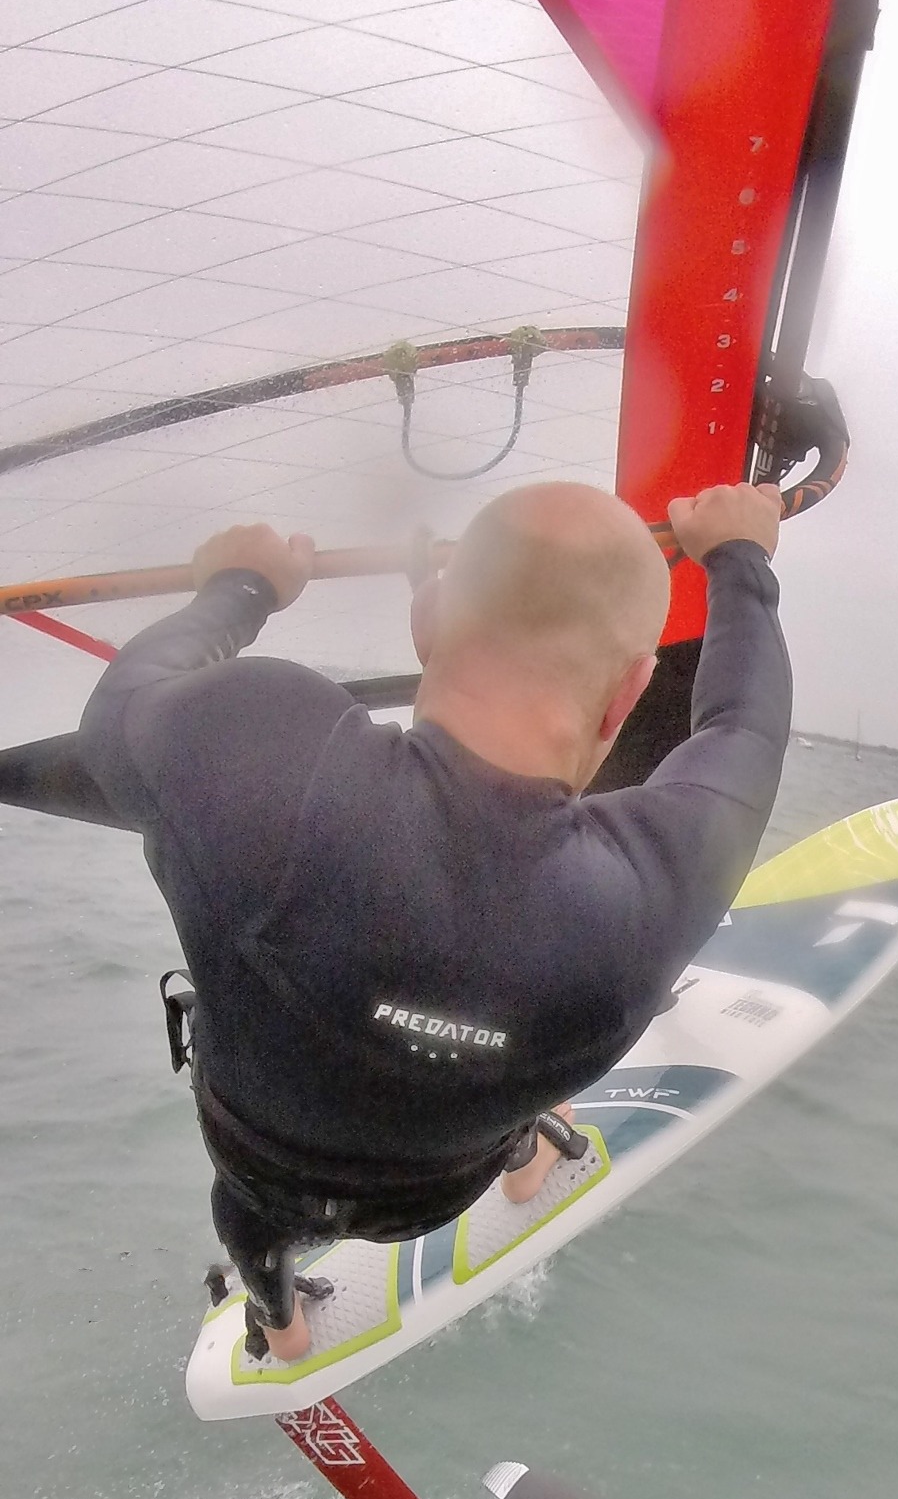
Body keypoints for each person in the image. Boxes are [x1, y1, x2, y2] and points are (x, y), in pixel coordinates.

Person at [80, 479, 789, 1362]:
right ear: (632, 691)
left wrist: (242, 586)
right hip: (442, 1185)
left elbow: (116, 712)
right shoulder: (663, 879)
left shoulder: (257, 746)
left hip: (259, 1162)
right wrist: (741, 560)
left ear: (426, 630)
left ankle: (280, 1324)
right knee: (498, 1023)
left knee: (253, 1212)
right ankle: (527, 1155)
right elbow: (746, 728)